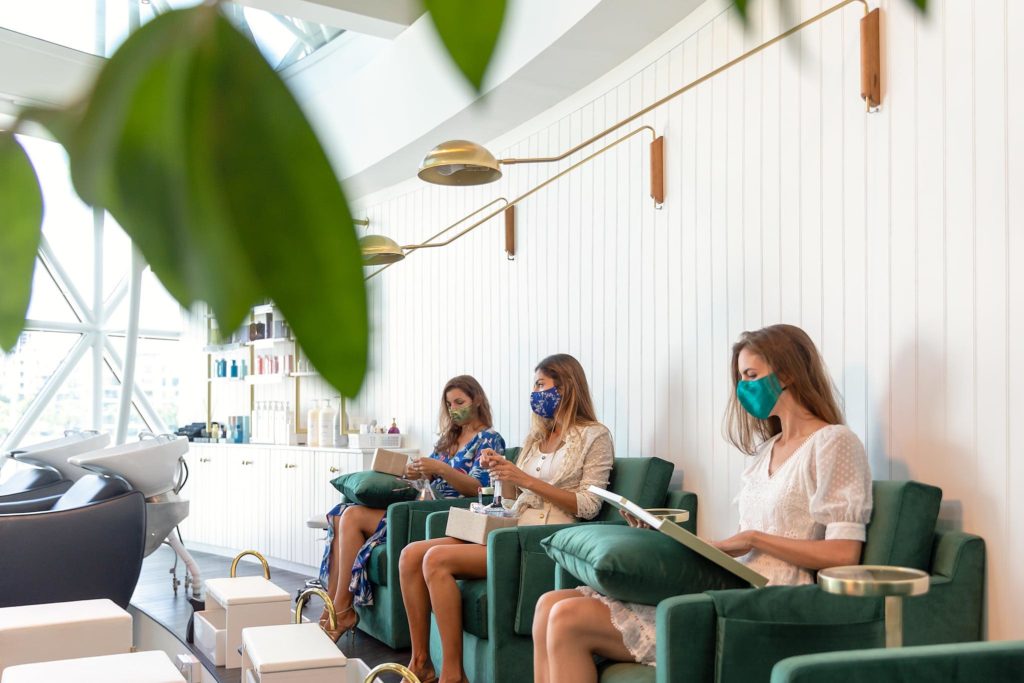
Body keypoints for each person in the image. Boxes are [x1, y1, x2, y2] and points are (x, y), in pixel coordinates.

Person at [531, 324, 872, 683]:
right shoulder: (766, 451)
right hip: (734, 585)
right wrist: (673, 538)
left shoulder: (833, 442)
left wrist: (753, 539)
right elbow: (743, 550)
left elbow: (844, 554)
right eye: (740, 378)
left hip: (776, 600)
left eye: (751, 375)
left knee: (567, 619)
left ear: (787, 373)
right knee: (549, 604)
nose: (743, 388)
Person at [399, 354, 614, 683]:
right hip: (513, 526)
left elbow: (589, 505)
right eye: (534, 386)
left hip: (543, 538)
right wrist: (501, 471)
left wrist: (525, 479)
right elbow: (513, 498)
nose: (535, 393)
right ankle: (421, 663)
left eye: (541, 385)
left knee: (436, 560)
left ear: (566, 387)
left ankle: (452, 675)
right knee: (410, 555)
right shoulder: (537, 438)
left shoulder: (594, 436)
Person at [317, 375, 505, 642]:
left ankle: (342, 610)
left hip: (444, 512)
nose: (453, 409)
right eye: (449, 404)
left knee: (353, 516)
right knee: (341, 514)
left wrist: (440, 468)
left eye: (459, 402)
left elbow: (479, 488)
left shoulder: (489, 439)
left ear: (476, 400)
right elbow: (429, 478)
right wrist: (417, 471)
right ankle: (333, 607)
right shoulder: (449, 439)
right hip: (422, 502)